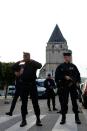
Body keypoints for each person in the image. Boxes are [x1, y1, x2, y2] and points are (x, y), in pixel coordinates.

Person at [55, 50, 81, 124]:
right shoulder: (60, 67)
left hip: (72, 87)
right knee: (64, 103)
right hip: (64, 87)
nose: (69, 58)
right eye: (67, 57)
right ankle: (63, 118)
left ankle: (77, 117)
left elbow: (78, 75)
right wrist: (64, 77)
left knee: (74, 103)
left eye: (70, 56)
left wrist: (77, 82)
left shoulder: (73, 66)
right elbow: (56, 77)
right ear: (65, 57)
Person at [18, 52, 42, 127]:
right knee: (24, 104)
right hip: (24, 85)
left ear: (29, 57)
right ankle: (23, 120)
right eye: (24, 56)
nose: (25, 57)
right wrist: (20, 61)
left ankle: (38, 119)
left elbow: (40, 65)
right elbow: (13, 67)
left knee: (35, 103)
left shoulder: (33, 64)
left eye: (27, 56)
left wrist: (31, 60)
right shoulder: (21, 65)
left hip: (32, 85)